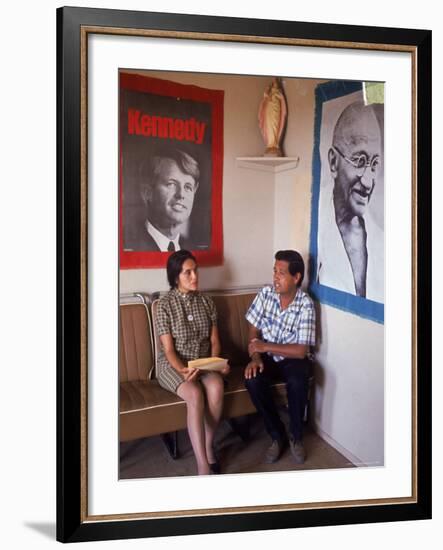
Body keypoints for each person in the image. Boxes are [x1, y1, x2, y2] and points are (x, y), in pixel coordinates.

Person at [155, 250, 230, 475]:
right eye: (187, 272)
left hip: (203, 362)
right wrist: (184, 370)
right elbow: (168, 350)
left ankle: (208, 445)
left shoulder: (206, 301)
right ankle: (202, 465)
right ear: (175, 277)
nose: (194, 276)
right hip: (173, 365)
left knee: (216, 387)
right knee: (195, 394)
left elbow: (215, 341)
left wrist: (216, 362)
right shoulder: (164, 305)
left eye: (195, 270)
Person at [244, 250, 316, 465]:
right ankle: (277, 435)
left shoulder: (305, 304)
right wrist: (256, 357)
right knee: (252, 379)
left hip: (292, 357)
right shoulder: (266, 294)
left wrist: (264, 346)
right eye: (274, 271)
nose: (275, 277)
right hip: (266, 357)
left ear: (296, 278)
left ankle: (296, 436)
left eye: (281, 273)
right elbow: (252, 332)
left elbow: (301, 350)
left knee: (297, 380)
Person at [317, 101, 384, 302]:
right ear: (333, 162)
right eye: (360, 161)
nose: (367, 180)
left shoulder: (382, 242)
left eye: (374, 164)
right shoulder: (316, 231)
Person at [124, 149, 200, 252]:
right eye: (171, 184)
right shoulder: (128, 246)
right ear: (147, 193)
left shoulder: (195, 250)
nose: (181, 194)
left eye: (188, 187)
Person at [258, 77, 287, 157]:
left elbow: (283, 105)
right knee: (269, 126)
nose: (274, 86)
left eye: (276, 84)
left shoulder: (279, 93)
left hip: (276, 112)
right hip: (269, 112)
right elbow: (265, 100)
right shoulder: (269, 95)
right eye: (273, 85)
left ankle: (274, 143)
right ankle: (270, 144)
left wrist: (279, 95)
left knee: (275, 125)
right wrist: (267, 93)